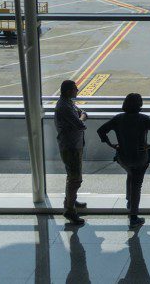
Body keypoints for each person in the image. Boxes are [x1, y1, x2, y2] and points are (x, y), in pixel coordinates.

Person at [97, 93, 150, 228]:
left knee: (130, 175)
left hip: (123, 157)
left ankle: (129, 201)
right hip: (140, 157)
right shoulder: (144, 119)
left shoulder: (118, 119)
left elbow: (101, 130)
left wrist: (111, 144)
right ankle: (133, 216)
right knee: (137, 184)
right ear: (140, 105)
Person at [55, 79, 88, 225]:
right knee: (75, 178)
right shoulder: (65, 107)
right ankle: (69, 210)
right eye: (75, 88)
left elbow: (77, 112)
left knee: (72, 176)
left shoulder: (67, 102)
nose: (77, 90)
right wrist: (83, 116)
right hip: (71, 147)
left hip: (73, 145)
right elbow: (80, 124)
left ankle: (70, 201)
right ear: (68, 91)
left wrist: (80, 113)